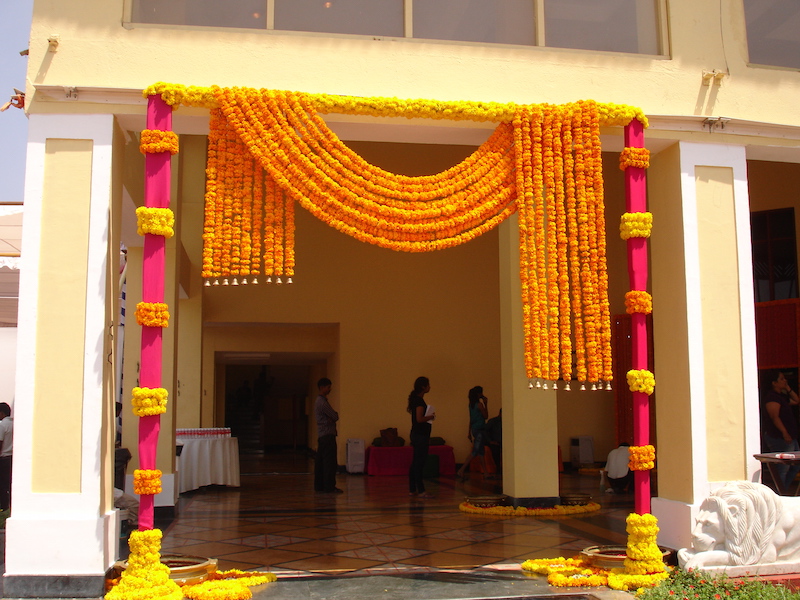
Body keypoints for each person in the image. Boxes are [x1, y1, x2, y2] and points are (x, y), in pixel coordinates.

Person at [761, 370, 800, 492]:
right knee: (782, 468)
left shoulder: (781, 397)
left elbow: (796, 400)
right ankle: (779, 492)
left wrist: (788, 388)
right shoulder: (772, 398)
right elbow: (774, 417)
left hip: (790, 436)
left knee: (795, 466)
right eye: (782, 379)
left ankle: (783, 489)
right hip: (779, 437)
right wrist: (784, 433)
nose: (785, 381)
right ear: (774, 383)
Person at [408, 376, 435, 498]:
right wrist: (430, 416)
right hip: (420, 436)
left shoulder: (416, 400)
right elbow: (419, 419)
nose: (430, 387)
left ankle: (412, 489)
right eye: (428, 385)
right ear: (423, 387)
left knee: (415, 462)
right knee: (419, 463)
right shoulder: (419, 401)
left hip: (417, 435)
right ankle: (421, 490)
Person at [314, 377, 342, 493]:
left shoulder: (317, 401)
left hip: (322, 436)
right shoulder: (323, 402)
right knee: (329, 462)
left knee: (321, 462)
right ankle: (329, 487)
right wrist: (332, 417)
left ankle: (320, 486)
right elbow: (335, 416)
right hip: (328, 436)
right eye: (328, 387)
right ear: (322, 388)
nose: (330, 389)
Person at [457, 386, 490, 480]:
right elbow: (486, 416)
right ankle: (461, 470)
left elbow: (471, 419)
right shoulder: (479, 405)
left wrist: (469, 432)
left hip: (474, 429)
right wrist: (486, 404)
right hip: (480, 430)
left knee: (481, 452)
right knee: (475, 451)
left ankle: (486, 472)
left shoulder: (471, 405)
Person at [0, 402, 12, 511]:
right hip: (12, 458)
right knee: (10, 484)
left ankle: (3, 508)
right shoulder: (14, 424)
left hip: (3, 458)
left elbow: (0, 442)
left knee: (2, 486)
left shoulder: (2, 425)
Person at [485, 409, 502, 475]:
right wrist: (490, 441)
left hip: (504, 441)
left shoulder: (508, 421)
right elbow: (485, 431)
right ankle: (498, 467)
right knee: (495, 450)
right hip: (494, 441)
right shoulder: (493, 421)